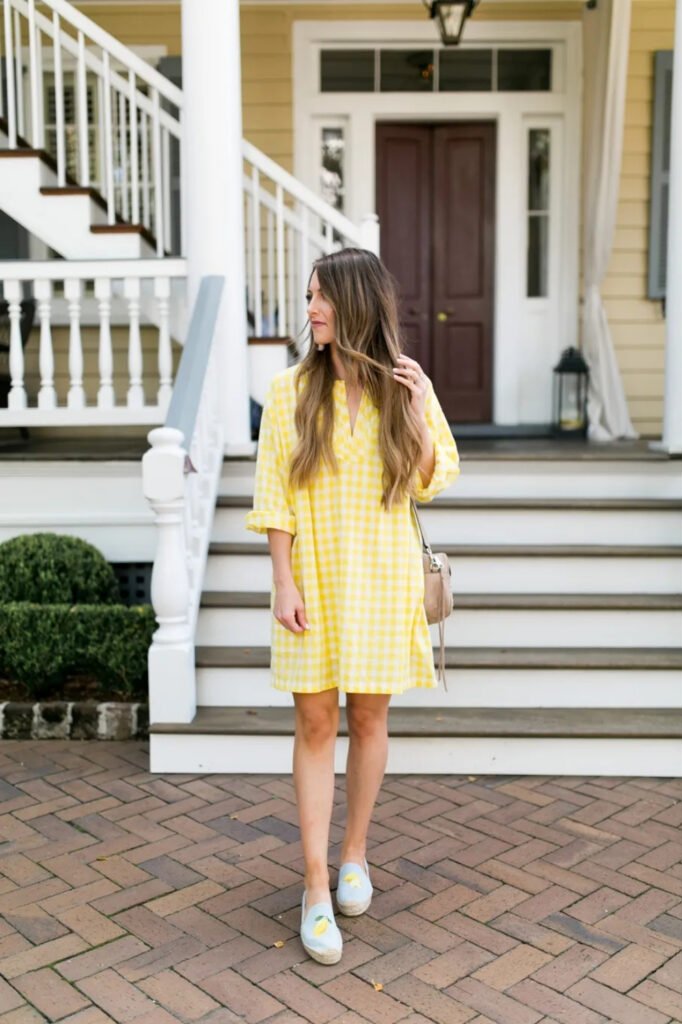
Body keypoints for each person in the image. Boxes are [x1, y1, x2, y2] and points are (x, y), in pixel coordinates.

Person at [245, 248, 460, 964]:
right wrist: (282, 579)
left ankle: (353, 858)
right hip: (313, 576)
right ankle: (312, 885)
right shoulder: (287, 393)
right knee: (313, 720)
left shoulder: (405, 384)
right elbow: (274, 494)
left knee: (369, 716)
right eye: (308, 296)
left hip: (383, 577)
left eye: (320, 298)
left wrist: (419, 412)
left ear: (355, 302)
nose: (310, 310)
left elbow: (432, 479)